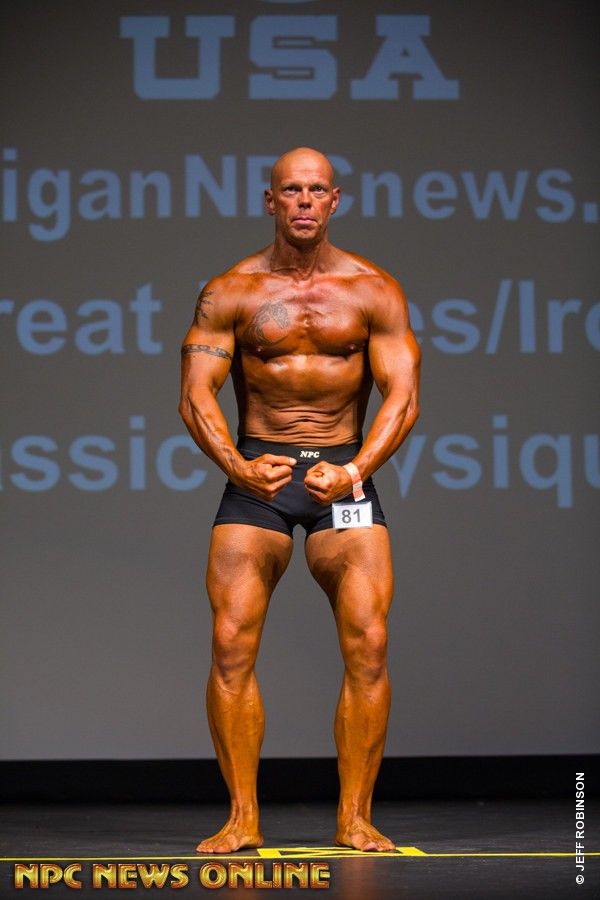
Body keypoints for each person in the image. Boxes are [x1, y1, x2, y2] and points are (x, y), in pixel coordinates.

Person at [179, 147, 420, 853]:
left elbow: (403, 399)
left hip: (342, 475)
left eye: (317, 190)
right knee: (230, 642)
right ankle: (242, 817)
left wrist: (354, 471)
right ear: (271, 200)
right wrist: (238, 466)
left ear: (335, 200)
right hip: (259, 474)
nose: (305, 201)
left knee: (370, 643)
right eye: (292, 190)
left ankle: (355, 817)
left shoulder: (374, 290)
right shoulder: (231, 291)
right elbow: (196, 396)